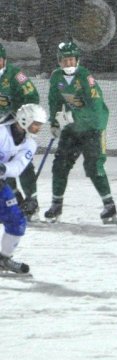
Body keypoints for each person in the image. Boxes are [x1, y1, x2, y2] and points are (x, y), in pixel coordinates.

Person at [44, 41, 117, 223]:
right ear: (59, 61)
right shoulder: (56, 78)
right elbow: (54, 100)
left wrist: (69, 117)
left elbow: (95, 108)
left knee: (93, 167)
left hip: (94, 128)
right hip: (72, 128)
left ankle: (109, 206)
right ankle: (56, 204)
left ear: (77, 60)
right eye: (65, 60)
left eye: (71, 60)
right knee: (60, 165)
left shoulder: (85, 77)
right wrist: (54, 122)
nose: (68, 64)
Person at [0, 104, 47, 275]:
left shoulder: (29, 144)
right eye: (36, 123)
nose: (39, 128)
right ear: (25, 119)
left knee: (17, 222)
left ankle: (3, 260)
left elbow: (18, 167)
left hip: (1, 185)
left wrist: (3, 169)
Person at [0, 43, 42, 219]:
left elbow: (33, 97)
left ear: (5, 60)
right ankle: (15, 198)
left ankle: (32, 200)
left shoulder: (16, 76)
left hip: (13, 126)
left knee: (22, 162)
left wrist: (18, 115)